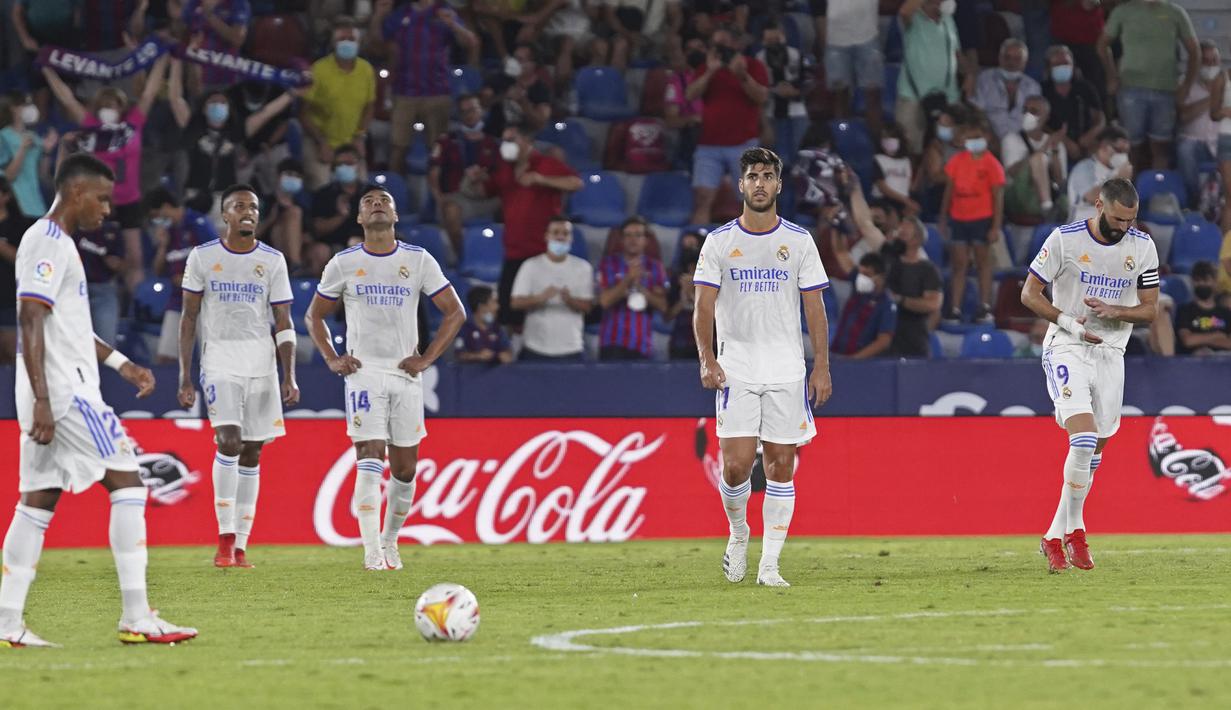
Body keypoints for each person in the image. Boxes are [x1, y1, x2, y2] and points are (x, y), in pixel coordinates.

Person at [1, 154, 197, 647]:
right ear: (75, 194)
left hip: (54, 387)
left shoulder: (57, 244)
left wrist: (122, 365)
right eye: (103, 198)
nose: (108, 210)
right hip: (64, 390)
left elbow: (67, 327)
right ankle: (136, 615)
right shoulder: (46, 242)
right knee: (128, 482)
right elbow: (29, 318)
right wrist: (45, 399)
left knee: (37, 501)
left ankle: (6, 623)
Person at [305, 186, 465, 571]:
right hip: (364, 374)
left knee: (405, 468)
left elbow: (454, 312)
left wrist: (426, 358)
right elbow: (315, 316)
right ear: (359, 218)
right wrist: (331, 357)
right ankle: (372, 551)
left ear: (394, 215)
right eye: (368, 203)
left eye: (384, 201)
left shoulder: (417, 259)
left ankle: (391, 540)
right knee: (369, 455)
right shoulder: (343, 263)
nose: (377, 205)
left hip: (404, 374)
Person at [693, 146, 832, 587]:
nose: (759, 183)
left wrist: (822, 366)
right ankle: (738, 533)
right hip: (737, 369)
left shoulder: (799, 241)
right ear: (740, 184)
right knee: (735, 467)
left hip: (787, 370)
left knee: (780, 465)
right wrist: (706, 358)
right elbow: (702, 307)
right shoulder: (718, 242)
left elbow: (815, 309)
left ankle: (770, 564)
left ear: (778, 185)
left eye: (767, 176)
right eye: (752, 175)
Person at [1021, 177, 1160, 573]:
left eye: (1131, 219)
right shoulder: (1064, 240)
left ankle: (1052, 535)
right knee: (1082, 437)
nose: (1125, 227)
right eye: (1118, 218)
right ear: (1100, 205)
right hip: (1068, 345)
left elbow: (1150, 309)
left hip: (1112, 352)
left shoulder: (1143, 247)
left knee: (1094, 451)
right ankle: (1076, 531)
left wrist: (1119, 312)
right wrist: (1068, 321)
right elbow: (1029, 294)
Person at [177, 185, 299, 568]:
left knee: (253, 450)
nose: (248, 212)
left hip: (261, 366)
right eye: (239, 206)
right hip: (220, 363)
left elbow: (283, 321)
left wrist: (288, 373)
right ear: (225, 215)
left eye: (254, 207)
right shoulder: (203, 257)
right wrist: (185, 376)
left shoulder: (273, 260)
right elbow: (189, 318)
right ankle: (224, 539)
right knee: (228, 441)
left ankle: (242, 544)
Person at [43, 56, 169, 290]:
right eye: (103, 106)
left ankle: (136, 307)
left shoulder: (133, 125)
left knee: (135, 258)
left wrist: (162, 60)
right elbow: (66, 98)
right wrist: (47, 68)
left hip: (129, 199)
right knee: (93, 253)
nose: (107, 111)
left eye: (112, 106)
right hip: (96, 199)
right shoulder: (89, 125)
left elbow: (149, 94)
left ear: (121, 108)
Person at [370, 0, 478, 174]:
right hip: (404, 91)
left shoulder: (444, 11)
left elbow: (471, 43)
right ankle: (393, 193)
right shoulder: (400, 13)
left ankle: (439, 195)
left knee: (438, 149)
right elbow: (376, 46)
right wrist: (378, 16)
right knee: (398, 147)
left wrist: (453, 25)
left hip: (437, 92)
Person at [492, 123, 582, 326]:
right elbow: (488, 191)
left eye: (511, 140)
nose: (506, 145)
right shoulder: (504, 168)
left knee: (541, 311)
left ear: (527, 142)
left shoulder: (546, 164)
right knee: (508, 312)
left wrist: (541, 179)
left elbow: (576, 183)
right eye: (504, 141)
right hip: (514, 252)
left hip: (541, 253)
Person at [1098, 0, 1199, 170]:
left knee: (1161, 147)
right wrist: (1111, 75)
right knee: (1130, 146)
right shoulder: (1123, 11)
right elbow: (1102, 45)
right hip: (1130, 89)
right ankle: (1129, 191)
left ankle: (1157, 190)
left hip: (1166, 89)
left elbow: (1195, 51)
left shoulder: (1175, 12)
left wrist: (1186, 86)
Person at [686, 27, 770, 225]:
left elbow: (761, 98)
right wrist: (710, 71)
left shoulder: (753, 66)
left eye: (724, 45)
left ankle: (756, 250)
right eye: (716, 45)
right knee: (703, 198)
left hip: (744, 144)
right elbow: (690, 95)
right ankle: (700, 250)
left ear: (737, 44)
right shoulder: (706, 67)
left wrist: (742, 75)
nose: (720, 50)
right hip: (709, 145)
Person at [301, 15, 377, 190]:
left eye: (351, 39)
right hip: (319, 139)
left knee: (362, 189)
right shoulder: (318, 70)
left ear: (359, 42)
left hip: (351, 141)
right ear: (333, 43)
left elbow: (369, 106)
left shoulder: (366, 70)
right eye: (342, 39)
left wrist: (360, 137)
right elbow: (303, 113)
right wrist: (321, 142)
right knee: (322, 185)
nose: (347, 43)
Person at [939, 120, 1004, 322]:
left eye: (977, 137)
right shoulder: (956, 161)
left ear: (986, 138)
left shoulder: (992, 164)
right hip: (958, 217)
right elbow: (948, 191)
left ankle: (984, 306)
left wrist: (995, 226)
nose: (973, 141)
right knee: (959, 265)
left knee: (983, 263)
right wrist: (943, 216)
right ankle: (955, 309)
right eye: (970, 137)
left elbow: (998, 198)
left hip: (982, 218)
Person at [147, 188, 218, 365]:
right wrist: (163, 246)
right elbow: (157, 271)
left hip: (205, 300)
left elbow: (218, 261)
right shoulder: (168, 233)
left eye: (157, 215)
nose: (158, 221)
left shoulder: (198, 223)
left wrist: (192, 279)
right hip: (178, 301)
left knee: (210, 358)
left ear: (165, 207)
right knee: (165, 358)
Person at [510, 215, 594, 361]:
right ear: (547, 236)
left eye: (565, 233)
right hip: (535, 347)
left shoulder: (583, 268)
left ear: (571, 238)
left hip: (571, 348)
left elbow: (587, 306)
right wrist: (540, 298)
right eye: (556, 232)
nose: (560, 237)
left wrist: (569, 300)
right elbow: (516, 303)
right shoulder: (531, 266)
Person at [429, 94, 501, 256]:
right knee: (451, 210)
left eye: (474, 110)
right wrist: (440, 199)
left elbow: (501, 175)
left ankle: (504, 254)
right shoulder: (446, 141)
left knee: (514, 202)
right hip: (458, 197)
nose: (470, 115)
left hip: (486, 197)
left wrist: (484, 178)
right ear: (460, 115)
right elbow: (433, 173)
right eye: (465, 111)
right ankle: (464, 256)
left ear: (481, 111)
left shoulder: (493, 143)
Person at [597, 217, 669, 360]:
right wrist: (628, 279)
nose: (633, 240)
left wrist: (642, 290)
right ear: (621, 240)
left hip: (642, 343)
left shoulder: (655, 267)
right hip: (612, 342)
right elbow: (604, 301)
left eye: (638, 235)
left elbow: (663, 306)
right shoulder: (608, 264)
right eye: (628, 235)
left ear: (646, 240)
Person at [896, 0, 962, 155]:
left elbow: (957, 52)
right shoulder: (914, 19)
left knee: (947, 148)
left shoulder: (948, 20)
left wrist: (971, 74)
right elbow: (904, 12)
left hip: (947, 96)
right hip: (913, 96)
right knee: (909, 147)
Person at [818, 0, 884, 136]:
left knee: (873, 95)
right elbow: (817, 7)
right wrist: (824, 40)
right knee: (840, 96)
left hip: (868, 35)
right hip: (835, 40)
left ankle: (877, 145)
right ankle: (844, 140)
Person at [1001, 95, 1068, 222]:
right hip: (1018, 194)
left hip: (1046, 192)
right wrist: (1044, 147)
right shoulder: (1010, 139)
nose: (1027, 115)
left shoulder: (1056, 143)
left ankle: (1048, 206)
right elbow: (1012, 173)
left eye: (1034, 112)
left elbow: (1060, 180)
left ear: (1046, 117)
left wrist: (1054, 149)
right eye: (1025, 110)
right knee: (1038, 158)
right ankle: (1047, 209)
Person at [885, 217, 943, 357]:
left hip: (913, 337)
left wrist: (901, 300)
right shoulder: (888, 261)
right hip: (884, 334)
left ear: (917, 239)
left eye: (905, 230)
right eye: (900, 229)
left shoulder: (927, 269)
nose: (900, 232)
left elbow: (933, 304)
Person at [1041, 44, 1106, 161]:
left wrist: (1090, 135)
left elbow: (1100, 119)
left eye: (1065, 63)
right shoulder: (1043, 91)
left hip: (1085, 142)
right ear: (1048, 68)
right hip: (1055, 141)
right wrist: (1064, 140)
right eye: (1056, 64)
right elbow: (1040, 124)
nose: (1062, 67)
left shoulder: (1085, 88)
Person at [971, 39, 1042, 141]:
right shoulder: (984, 79)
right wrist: (991, 139)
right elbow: (977, 113)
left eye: (1017, 59)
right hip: (990, 140)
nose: (1011, 63)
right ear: (999, 58)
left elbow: (1037, 119)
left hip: (1022, 142)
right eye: (1007, 57)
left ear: (1025, 62)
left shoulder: (1033, 87)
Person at [831, 253, 897, 359]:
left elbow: (884, 341)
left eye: (866, 274)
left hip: (860, 363)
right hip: (836, 355)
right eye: (860, 274)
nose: (861, 279)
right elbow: (840, 252)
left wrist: (855, 359)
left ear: (880, 277)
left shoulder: (887, 304)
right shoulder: (858, 290)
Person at [0, 94, 56, 219]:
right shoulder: (3, 136)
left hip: (36, 205)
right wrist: (22, 150)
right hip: (15, 204)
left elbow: (43, 174)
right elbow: (8, 176)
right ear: (13, 108)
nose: (30, 108)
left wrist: (47, 151)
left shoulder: (33, 136)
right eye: (25, 104)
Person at [74, 220, 125, 348]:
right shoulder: (67, 228)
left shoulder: (110, 230)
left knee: (106, 345)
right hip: (72, 291)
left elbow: (121, 264)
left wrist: (114, 262)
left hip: (103, 290)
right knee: (73, 345)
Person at [1066, 126, 1132, 223]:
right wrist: (1120, 179)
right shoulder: (1084, 168)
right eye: (1119, 150)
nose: (1123, 156)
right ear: (1104, 147)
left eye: (1126, 152)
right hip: (1081, 226)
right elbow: (1093, 197)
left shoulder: (1119, 172)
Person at [0, 177, 32, 364]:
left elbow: (27, 263)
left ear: (6, 196)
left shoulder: (21, 227)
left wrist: (3, 248)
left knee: (14, 355)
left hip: (12, 300)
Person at [1174, 260, 1231, 356]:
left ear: (1215, 282)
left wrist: (1201, 339)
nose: (1201, 284)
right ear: (1193, 282)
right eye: (1197, 280)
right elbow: (1188, 340)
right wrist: (1217, 336)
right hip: (1194, 361)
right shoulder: (1185, 310)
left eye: (1206, 280)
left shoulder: (1225, 313)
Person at [456, 286, 513, 365]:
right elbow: (459, 355)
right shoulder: (465, 328)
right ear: (481, 306)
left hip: (495, 374)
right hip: (470, 374)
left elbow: (508, 353)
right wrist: (478, 356)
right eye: (493, 302)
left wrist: (506, 357)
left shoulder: (498, 329)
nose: (497, 307)